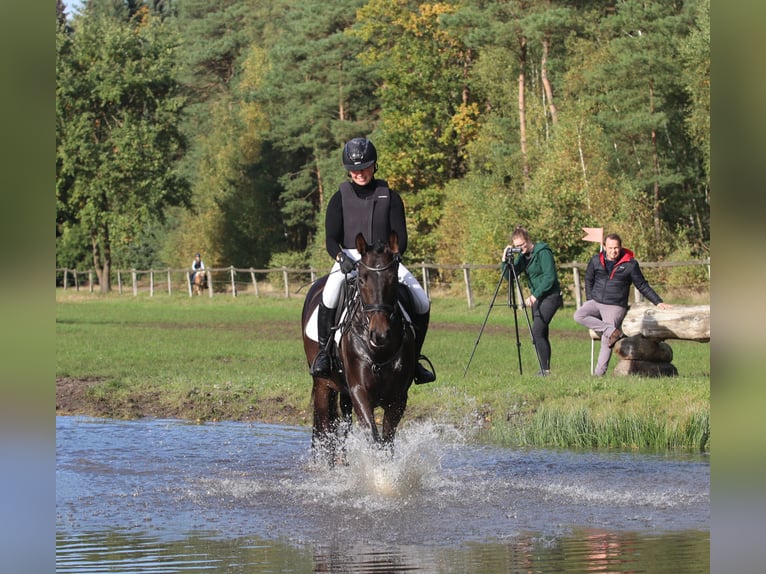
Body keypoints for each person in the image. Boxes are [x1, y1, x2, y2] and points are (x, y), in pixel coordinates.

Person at [311, 137, 435, 384]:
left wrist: (394, 256)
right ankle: (324, 354)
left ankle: (415, 360)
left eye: (365, 167)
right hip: (350, 256)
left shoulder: (390, 197)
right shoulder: (339, 199)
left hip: (384, 260)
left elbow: (401, 234)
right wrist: (340, 258)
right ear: (349, 171)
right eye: (355, 169)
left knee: (421, 300)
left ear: (374, 166)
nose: (360, 173)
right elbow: (331, 239)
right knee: (330, 293)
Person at [573, 232, 672, 376]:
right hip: (595, 301)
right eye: (611, 248)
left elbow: (642, 285)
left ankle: (598, 375)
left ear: (621, 247)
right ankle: (612, 330)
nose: (614, 251)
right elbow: (588, 280)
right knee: (578, 315)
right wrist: (589, 299)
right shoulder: (595, 260)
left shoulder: (630, 264)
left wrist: (658, 302)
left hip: (615, 305)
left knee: (606, 340)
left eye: (616, 248)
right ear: (605, 247)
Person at [501, 226, 563, 375]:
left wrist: (534, 295)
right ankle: (545, 369)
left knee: (537, 331)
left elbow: (550, 277)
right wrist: (505, 259)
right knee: (541, 333)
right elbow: (510, 276)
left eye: (522, 245)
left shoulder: (543, 252)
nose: (520, 248)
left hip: (551, 295)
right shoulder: (522, 257)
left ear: (528, 240)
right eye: (516, 247)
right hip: (538, 297)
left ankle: (545, 370)